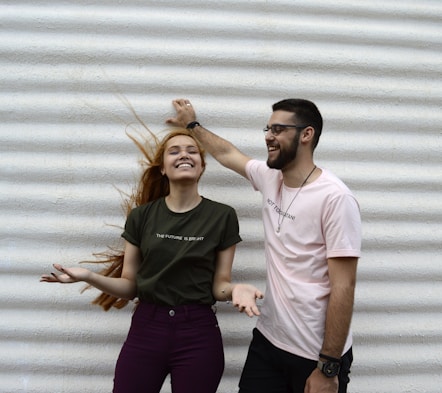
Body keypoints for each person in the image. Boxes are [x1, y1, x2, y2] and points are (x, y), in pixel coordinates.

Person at [41, 126, 263, 393]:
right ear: (162, 168)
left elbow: (220, 285)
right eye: (175, 151)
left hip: (198, 333)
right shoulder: (141, 216)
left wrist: (236, 290)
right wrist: (88, 276)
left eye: (192, 151)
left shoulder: (222, 216)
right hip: (147, 329)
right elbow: (130, 287)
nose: (185, 155)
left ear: (202, 166)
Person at [166, 98, 362, 393]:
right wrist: (192, 126)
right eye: (268, 128)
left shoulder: (335, 198)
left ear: (306, 134)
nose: (268, 136)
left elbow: (344, 287)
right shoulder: (271, 178)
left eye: (278, 129)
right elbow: (227, 153)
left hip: (315, 355)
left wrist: (328, 366)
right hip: (269, 342)